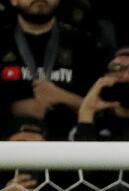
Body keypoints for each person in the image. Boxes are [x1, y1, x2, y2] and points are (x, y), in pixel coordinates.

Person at [0, 0, 107, 140]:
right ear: (13, 1)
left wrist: (63, 97)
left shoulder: (85, 45)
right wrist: (11, 108)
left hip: (69, 148)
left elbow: (106, 109)